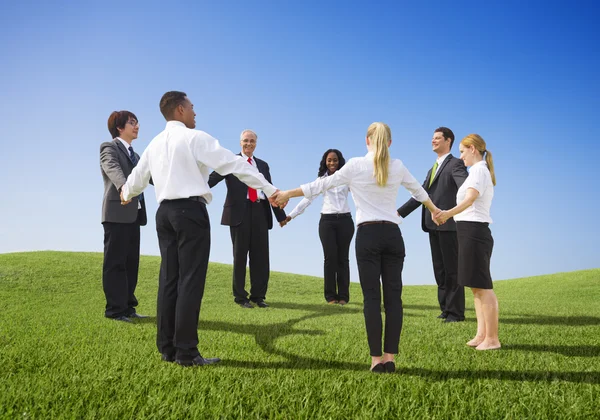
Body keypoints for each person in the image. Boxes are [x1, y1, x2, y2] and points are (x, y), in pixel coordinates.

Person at [120, 91, 279, 366]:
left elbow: (135, 181)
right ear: (180, 110)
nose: (195, 112)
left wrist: (125, 194)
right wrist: (270, 189)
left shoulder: (154, 144)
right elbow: (235, 164)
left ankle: (167, 348)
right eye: (192, 107)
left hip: (164, 214)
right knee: (190, 281)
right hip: (190, 213)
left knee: (169, 279)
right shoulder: (196, 138)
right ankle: (187, 352)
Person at [274, 122, 441, 373]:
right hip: (393, 235)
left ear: (367, 141)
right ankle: (390, 357)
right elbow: (419, 192)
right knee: (394, 299)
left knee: (372, 298)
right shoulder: (397, 166)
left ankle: (376, 361)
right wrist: (435, 211)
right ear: (390, 143)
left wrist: (287, 192)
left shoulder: (354, 165)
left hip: (368, 235)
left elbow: (320, 185)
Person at [208, 130, 286, 309]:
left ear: (256, 144)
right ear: (240, 142)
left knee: (261, 257)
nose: (248, 144)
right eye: (245, 141)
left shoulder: (263, 166)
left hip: (260, 211)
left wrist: (281, 216)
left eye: (252, 141)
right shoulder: (230, 161)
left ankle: (259, 296)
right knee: (240, 256)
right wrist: (193, 188)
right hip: (238, 213)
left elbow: (270, 191)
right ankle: (241, 297)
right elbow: (210, 180)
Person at [435, 134, 500, 350]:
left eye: (462, 151)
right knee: (475, 287)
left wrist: (446, 214)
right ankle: (481, 334)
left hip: (475, 231)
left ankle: (492, 339)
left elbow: (469, 199)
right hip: (467, 231)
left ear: (472, 149)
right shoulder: (476, 171)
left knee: (483, 287)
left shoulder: (480, 170)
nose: (460, 157)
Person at [397, 127, 468, 322]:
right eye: (432, 138)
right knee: (440, 269)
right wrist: (398, 213)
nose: (433, 141)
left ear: (448, 141)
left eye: (437, 138)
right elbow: (420, 195)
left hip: (449, 223)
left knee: (452, 269)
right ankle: (445, 308)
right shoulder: (432, 169)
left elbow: (466, 190)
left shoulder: (456, 164)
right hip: (432, 225)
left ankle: (456, 313)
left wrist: (454, 211)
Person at [281, 149, 354, 305]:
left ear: (340, 161)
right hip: (327, 222)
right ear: (325, 162)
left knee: (343, 259)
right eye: (329, 160)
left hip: (345, 221)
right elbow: (307, 199)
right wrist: (290, 216)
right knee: (330, 259)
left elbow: (359, 196)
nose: (332, 163)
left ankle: (343, 297)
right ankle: (330, 297)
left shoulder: (347, 179)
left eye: (335, 160)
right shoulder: (321, 180)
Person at [99, 110, 148, 322]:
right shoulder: (109, 147)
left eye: (137, 123)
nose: (137, 126)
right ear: (120, 127)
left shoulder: (136, 155)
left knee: (131, 263)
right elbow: (112, 167)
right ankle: (114, 310)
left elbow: (150, 176)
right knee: (115, 263)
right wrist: (123, 188)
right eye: (132, 122)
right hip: (117, 212)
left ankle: (128, 306)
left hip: (134, 215)